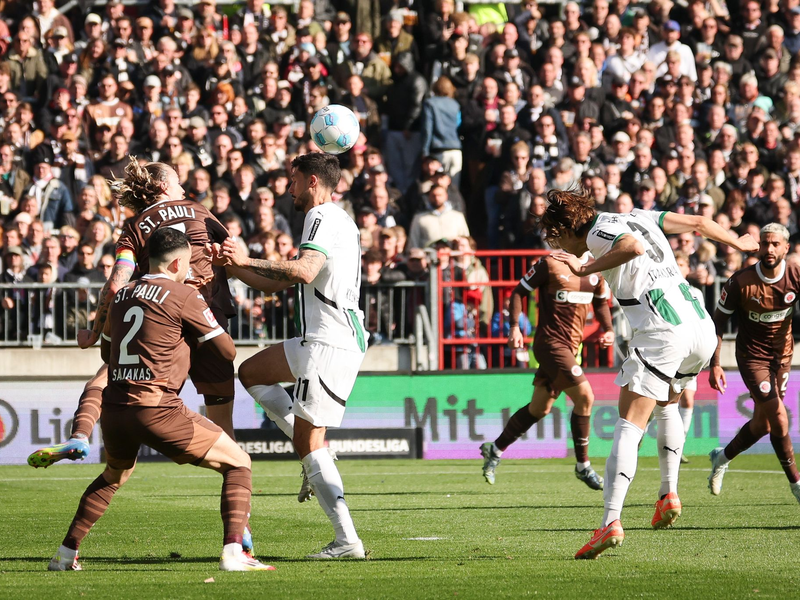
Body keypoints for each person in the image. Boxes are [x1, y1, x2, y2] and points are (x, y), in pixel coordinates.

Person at [539, 187, 758, 559]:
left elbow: (632, 248)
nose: (554, 243)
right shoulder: (640, 214)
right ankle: (667, 494)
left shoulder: (596, 231)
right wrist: (737, 241)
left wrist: (586, 267)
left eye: (554, 235)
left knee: (629, 423)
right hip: (699, 327)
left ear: (568, 227)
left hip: (663, 328)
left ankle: (610, 521)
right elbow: (700, 222)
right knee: (668, 406)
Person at [47, 228, 272, 572]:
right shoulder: (183, 294)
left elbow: (107, 351)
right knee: (239, 462)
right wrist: (196, 325)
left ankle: (65, 554)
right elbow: (227, 351)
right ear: (179, 262)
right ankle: (233, 553)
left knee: (113, 476)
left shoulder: (122, 295)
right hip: (157, 407)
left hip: (115, 408)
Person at [213, 152, 367, 559]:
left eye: (294, 180)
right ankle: (314, 452)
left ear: (313, 181)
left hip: (329, 342)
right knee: (251, 372)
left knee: (308, 442)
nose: (289, 188)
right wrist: (234, 269)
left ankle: (347, 540)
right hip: (318, 339)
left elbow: (302, 270)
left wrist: (246, 258)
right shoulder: (340, 219)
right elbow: (278, 285)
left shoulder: (320, 217)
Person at [480, 253, 615, 489]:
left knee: (539, 408)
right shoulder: (550, 264)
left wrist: (608, 329)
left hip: (572, 349)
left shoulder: (596, 267)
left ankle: (495, 448)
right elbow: (518, 292)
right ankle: (583, 466)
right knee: (586, 397)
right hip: (550, 345)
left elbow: (601, 302)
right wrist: (514, 327)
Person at [707, 223, 800, 504]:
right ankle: (797, 485)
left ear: (786, 247)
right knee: (780, 418)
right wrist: (715, 363)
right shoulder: (741, 281)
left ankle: (720, 458)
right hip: (752, 358)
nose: (769, 249)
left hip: (783, 356)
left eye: (775, 244)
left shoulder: (795, 274)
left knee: (763, 425)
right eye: (765, 243)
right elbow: (718, 322)